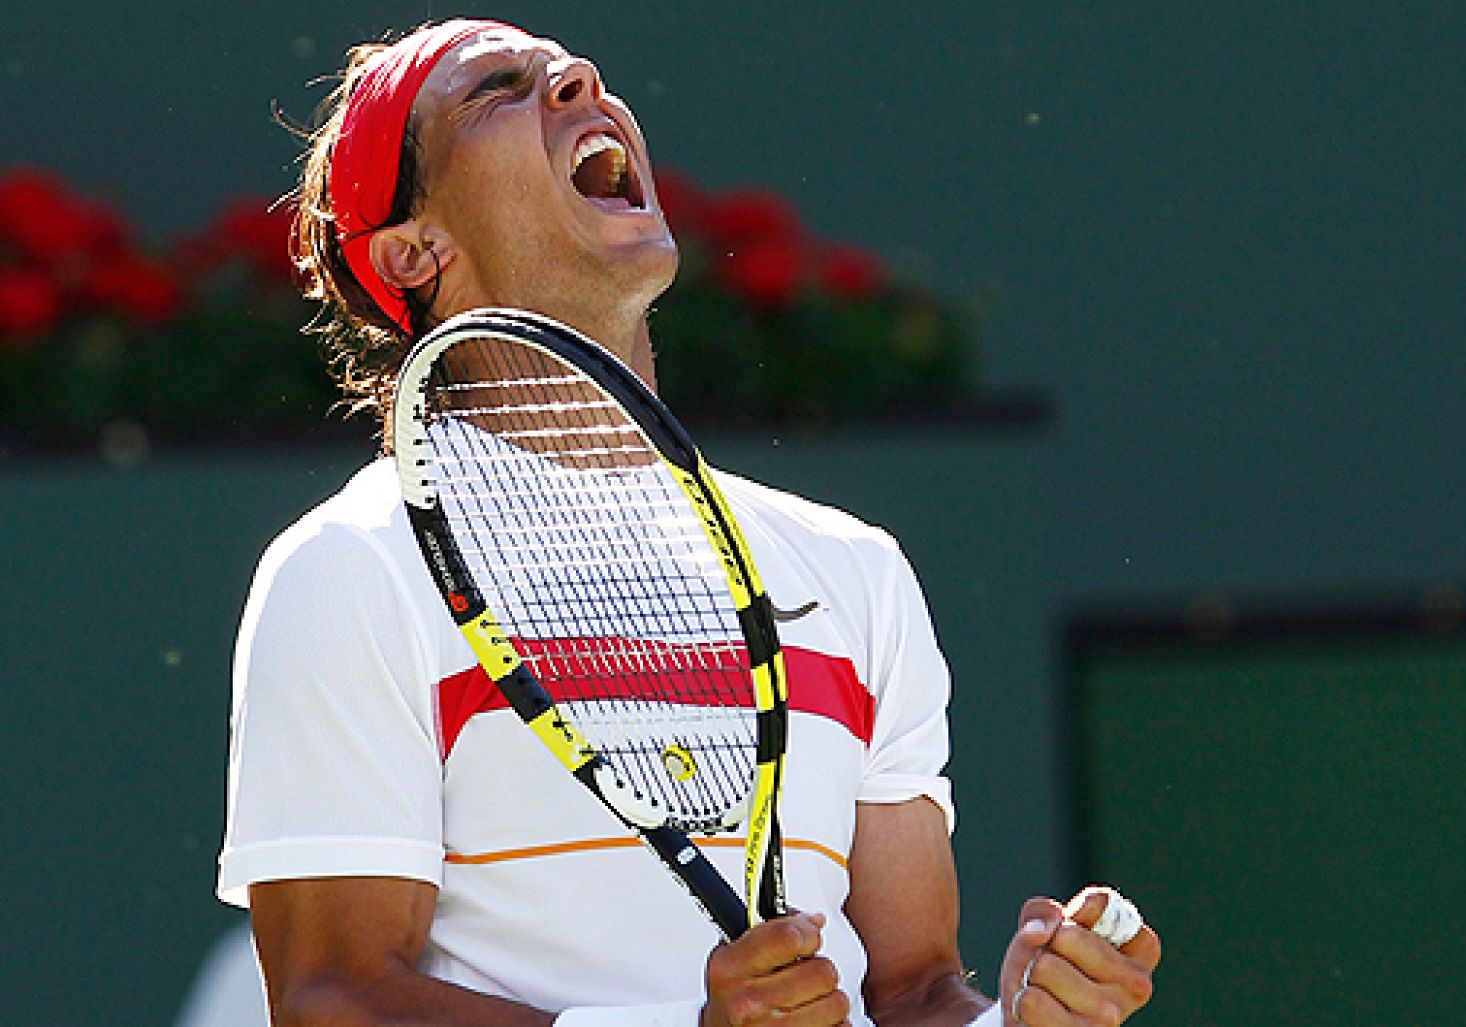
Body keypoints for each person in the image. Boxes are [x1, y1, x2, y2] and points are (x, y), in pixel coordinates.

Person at [218, 17, 1161, 1026]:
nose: (579, 80)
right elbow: (334, 997)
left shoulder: (853, 569)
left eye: (574, 73)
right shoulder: (349, 571)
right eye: (498, 91)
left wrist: (1020, 1018)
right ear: (414, 251)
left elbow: (912, 990)